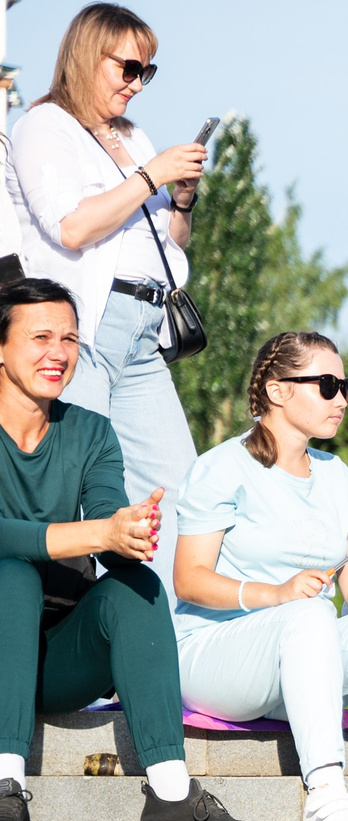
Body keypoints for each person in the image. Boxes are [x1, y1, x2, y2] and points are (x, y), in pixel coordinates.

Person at [0, 276, 255, 821]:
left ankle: (169, 795)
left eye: (69, 338)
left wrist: (130, 534)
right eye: (41, 336)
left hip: (57, 658)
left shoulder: (91, 431)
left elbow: (111, 520)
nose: (59, 352)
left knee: (138, 584)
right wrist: (97, 531)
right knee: (10, 575)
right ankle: (4, 787)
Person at [170, 332, 348, 821]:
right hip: (214, 655)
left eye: (344, 384)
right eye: (327, 385)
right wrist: (277, 594)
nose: (342, 398)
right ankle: (325, 797)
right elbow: (188, 578)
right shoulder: (222, 467)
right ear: (278, 391)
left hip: (304, 652)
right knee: (310, 614)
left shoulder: (338, 477)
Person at [7, 4, 200, 595]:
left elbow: (166, 241)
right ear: (90, 57)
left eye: (149, 72)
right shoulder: (45, 127)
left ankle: (166, 641)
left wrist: (183, 200)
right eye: (129, 67)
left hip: (144, 325)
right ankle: (81, 641)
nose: (137, 83)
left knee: (177, 485)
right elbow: (70, 227)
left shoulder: (130, 136)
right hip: (86, 327)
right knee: (87, 492)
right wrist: (151, 174)